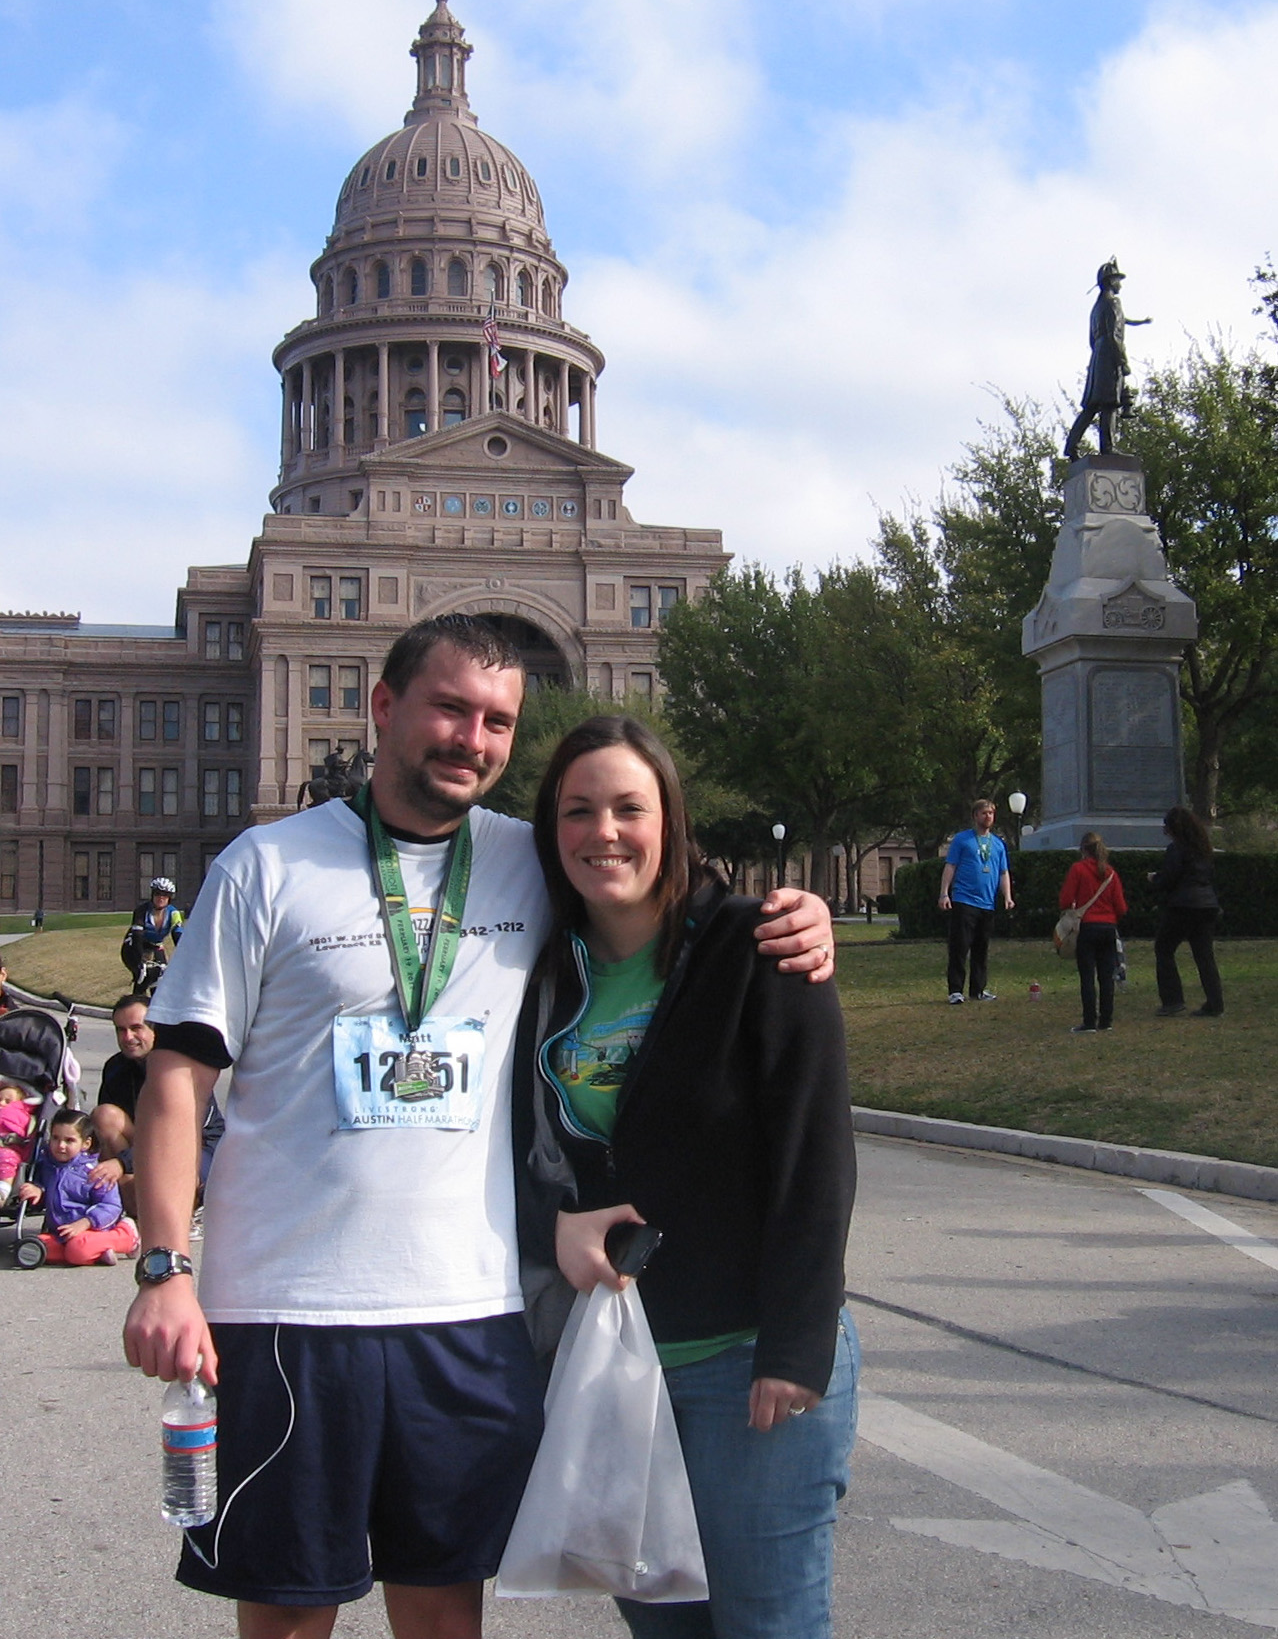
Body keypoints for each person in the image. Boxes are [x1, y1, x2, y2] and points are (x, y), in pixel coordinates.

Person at [121, 614, 834, 1639]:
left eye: (497, 720)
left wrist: (791, 915)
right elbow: (177, 1081)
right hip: (286, 1312)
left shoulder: (528, 860)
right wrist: (163, 1267)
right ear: (384, 706)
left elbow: (652, 887)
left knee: (447, 1612)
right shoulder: (264, 865)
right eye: (450, 708)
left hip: (467, 1314)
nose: (473, 738)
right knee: (285, 1612)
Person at [516, 715, 858, 1639]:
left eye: (630, 807)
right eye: (578, 811)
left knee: (768, 1626)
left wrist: (796, 1345)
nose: (605, 832)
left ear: (670, 819)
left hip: (745, 1360)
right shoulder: (537, 969)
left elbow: (815, 1152)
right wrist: (550, 1222)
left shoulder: (760, 943)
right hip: (615, 1366)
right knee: (663, 1631)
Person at [90, 995, 224, 1219]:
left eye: (136, 1028)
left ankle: (185, 1213)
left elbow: (178, 1137)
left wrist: (122, 1163)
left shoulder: (179, 1068)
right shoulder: (115, 1067)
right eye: (120, 1030)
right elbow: (101, 1136)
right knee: (104, 1116)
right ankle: (139, 1215)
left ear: (155, 1030)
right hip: (144, 1145)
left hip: (196, 1147)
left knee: (176, 1165)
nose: (128, 1037)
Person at [17, 1107, 140, 1266]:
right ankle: (97, 1251)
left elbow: (111, 1205)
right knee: (38, 1244)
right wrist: (38, 1191)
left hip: (92, 1228)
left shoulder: (94, 1172)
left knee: (77, 1250)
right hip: (61, 1232)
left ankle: (125, 1236)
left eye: (69, 1140)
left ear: (85, 1144)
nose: (61, 1145)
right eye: (55, 1138)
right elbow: (50, 1197)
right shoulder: (47, 1166)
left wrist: (86, 1222)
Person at [1063, 258, 1151, 460]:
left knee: (1092, 406)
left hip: (1098, 356)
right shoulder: (1113, 302)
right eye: (1118, 280)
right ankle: (1108, 448)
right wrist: (1122, 361)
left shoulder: (1097, 307)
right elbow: (1114, 334)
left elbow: (1093, 338)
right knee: (1110, 404)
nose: (1120, 285)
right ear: (1111, 281)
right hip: (1110, 355)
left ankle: (1072, 445)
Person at [1149, 807, 1223, 1018]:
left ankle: (1172, 1000)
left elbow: (1170, 878)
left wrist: (1155, 879)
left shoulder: (1176, 849)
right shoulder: (1203, 849)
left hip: (1183, 906)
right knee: (1204, 956)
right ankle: (1215, 1003)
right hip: (1207, 905)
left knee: (1164, 948)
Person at [938, 800, 1014, 1003]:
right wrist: (944, 893)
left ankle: (978, 989)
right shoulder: (962, 840)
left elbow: (1003, 872)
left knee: (981, 948)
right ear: (975, 816)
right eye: (983, 813)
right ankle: (955, 991)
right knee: (960, 947)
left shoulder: (998, 844)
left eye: (990, 813)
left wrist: (1007, 896)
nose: (988, 816)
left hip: (987, 903)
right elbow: (950, 866)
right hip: (964, 900)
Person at [1059, 833, 1127, 1034]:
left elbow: (1065, 899)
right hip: (1108, 927)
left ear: (1083, 849)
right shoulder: (1110, 873)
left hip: (1087, 927)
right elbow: (1121, 907)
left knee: (1087, 976)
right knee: (1106, 976)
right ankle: (1106, 1020)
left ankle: (1089, 1021)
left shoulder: (1078, 869)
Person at [121, 877, 184, 990]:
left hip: (155, 945)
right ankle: (137, 997)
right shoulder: (142, 911)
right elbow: (137, 936)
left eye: (165, 895)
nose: (161, 897)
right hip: (134, 946)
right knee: (143, 978)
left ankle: (155, 1000)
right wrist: (140, 962)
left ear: (169, 897)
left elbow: (178, 936)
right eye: (157, 894)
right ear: (152, 895)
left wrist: (184, 957)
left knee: (160, 979)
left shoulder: (174, 913)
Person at [0, 1078, 37, 1205]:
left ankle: (3, 1191)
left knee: (7, 1159)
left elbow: (22, 1133)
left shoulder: (20, 1113)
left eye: (8, 1101)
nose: (2, 1103)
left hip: (9, 1147)